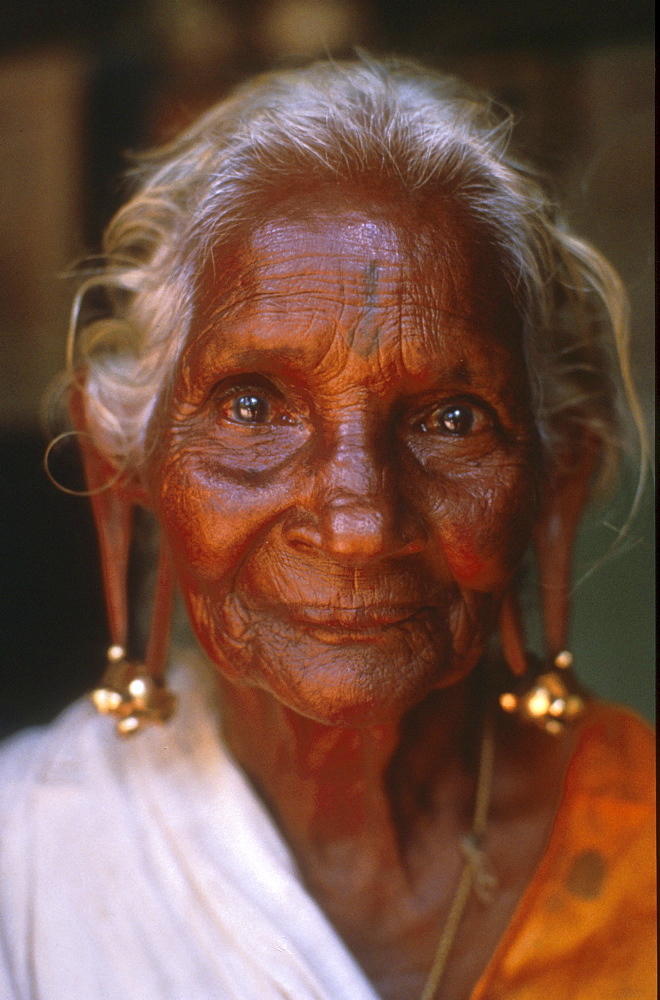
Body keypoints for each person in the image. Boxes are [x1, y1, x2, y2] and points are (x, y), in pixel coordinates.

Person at [0, 55, 654, 1000]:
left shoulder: (643, 858)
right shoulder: (27, 866)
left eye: (452, 419)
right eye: (253, 407)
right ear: (125, 482)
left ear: (557, 488)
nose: (358, 523)